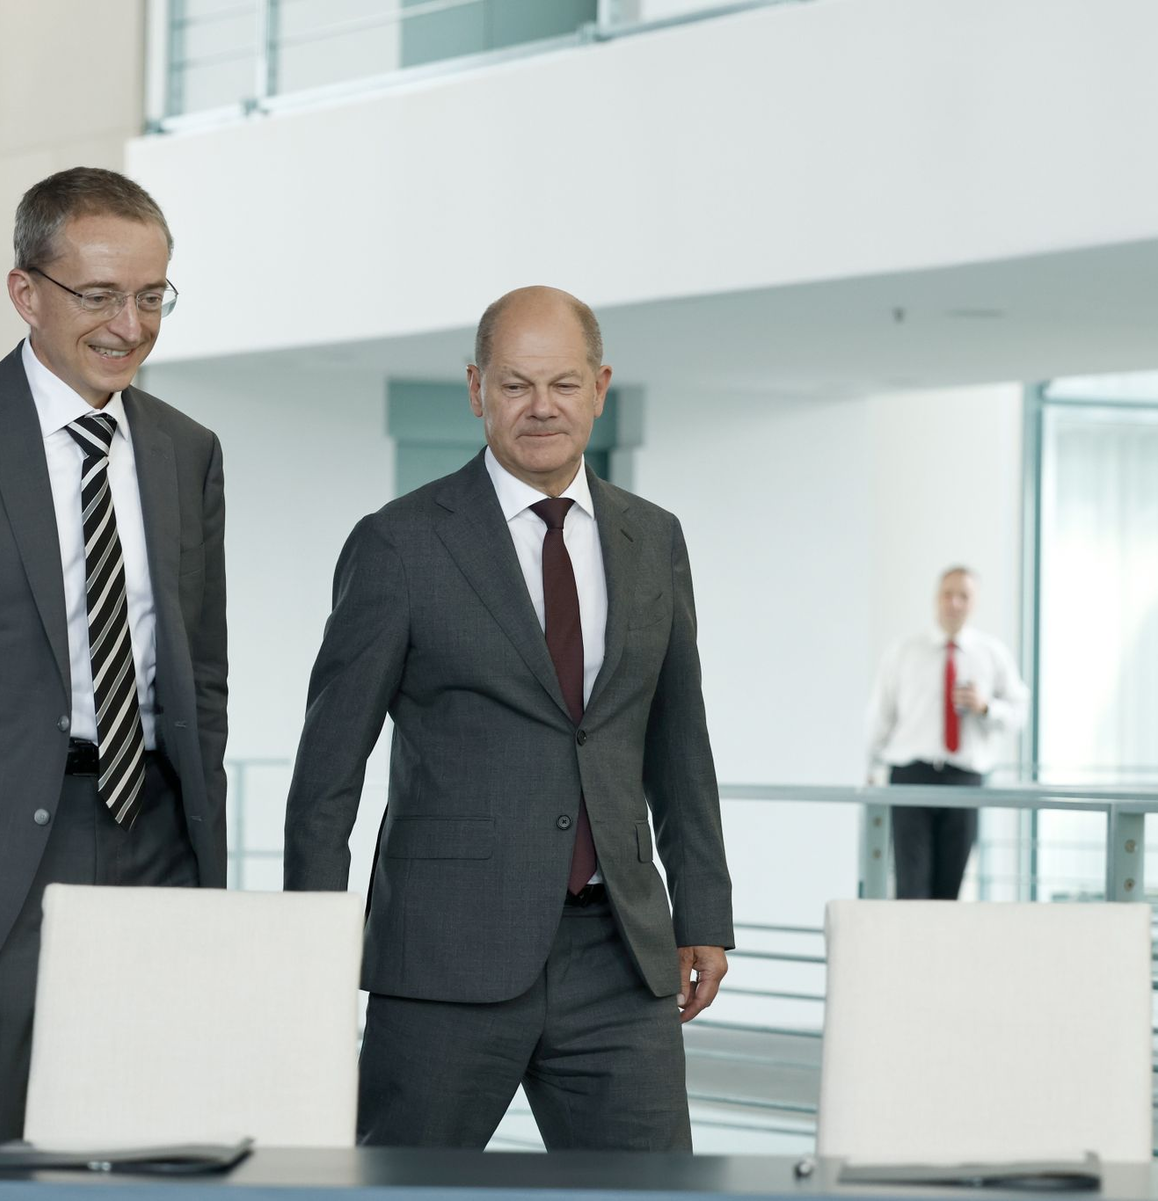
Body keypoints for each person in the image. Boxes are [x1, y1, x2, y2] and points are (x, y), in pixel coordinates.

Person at [284, 285, 733, 1151]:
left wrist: (704, 909)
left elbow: (679, 738)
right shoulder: (400, 543)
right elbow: (329, 765)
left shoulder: (655, 538)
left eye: (563, 384)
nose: (541, 408)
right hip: (443, 953)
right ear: (475, 388)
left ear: (600, 387)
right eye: (516, 384)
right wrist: (310, 937)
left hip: (620, 954)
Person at [0, 167, 228, 1139]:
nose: (128, 325)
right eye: (98, 295)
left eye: (150, 296)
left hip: (158, 834)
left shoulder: (187, 448)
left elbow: (202, 670)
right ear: (26, 293)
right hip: (18, 839)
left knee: (152, 1124)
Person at [866, 566, 1028, 900]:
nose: (954, 602)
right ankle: (911, 952)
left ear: (975, 603)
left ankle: (937, 952)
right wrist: (872, 770)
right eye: (947, 594)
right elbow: (880, 717)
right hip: (911, 777)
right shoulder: (904, 652)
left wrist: (986, 707)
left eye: (964, 596)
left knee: (951, 888)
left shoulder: (992, 654)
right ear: (936, 598)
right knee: (911, 886)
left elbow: (1018, 713)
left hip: (965, 780)